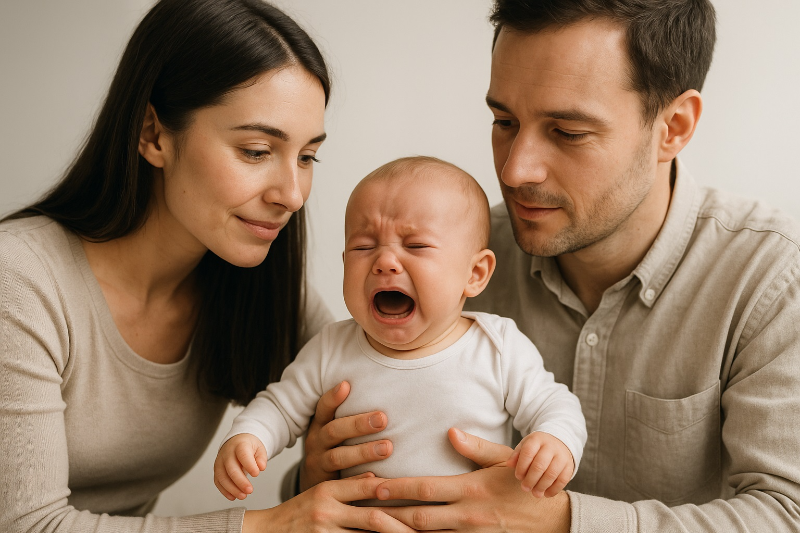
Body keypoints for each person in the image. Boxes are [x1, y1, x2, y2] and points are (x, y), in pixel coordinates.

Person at [293, 0, 800, 531]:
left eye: (567, 132)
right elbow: (317, 500)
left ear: (672, 126)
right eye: (504, 121)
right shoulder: (444, 264)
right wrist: (316, 478)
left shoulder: (769, 278)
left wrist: (563, 521)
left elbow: (786, 514)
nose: (515, 170)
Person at [0, 1, 418, 532]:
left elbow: (390, 406)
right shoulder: (17, 280)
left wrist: (319, 475)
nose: (292, 194)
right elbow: (26, 526)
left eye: (308, 156)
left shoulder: (256, 289)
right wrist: (267, 526)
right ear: (153, 135)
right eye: (256, 150)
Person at [213, 156, 587, 504]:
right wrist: (248, 437)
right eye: (363, 246)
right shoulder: (331, 348)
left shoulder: (497, 347)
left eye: (416, 245)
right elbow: (280, 405)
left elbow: (555, 405)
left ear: (475, 274)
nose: (385, 261)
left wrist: (554, 441)